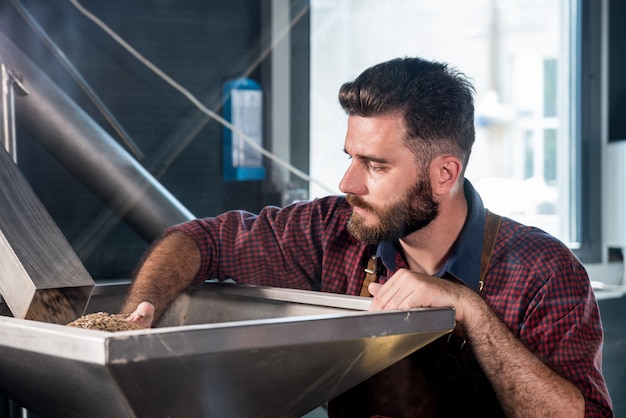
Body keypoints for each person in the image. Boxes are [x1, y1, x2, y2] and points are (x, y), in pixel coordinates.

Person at [122, 57, 613, 417]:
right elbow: (200, 239)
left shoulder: (542, 270)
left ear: (444, 174)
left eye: (375, 166)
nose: (347, 184)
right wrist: (139, 311)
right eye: (350, 157)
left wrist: (469, 309)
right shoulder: (329, 232)